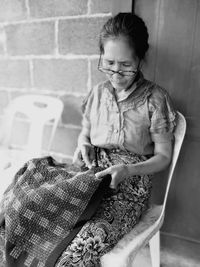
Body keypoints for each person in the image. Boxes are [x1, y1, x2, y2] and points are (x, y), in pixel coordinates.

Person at [55, 12, 176, 267]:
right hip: (90, 174)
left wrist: (128, 169)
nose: (116, 72)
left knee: (80, 248)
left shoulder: (155, 99)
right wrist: (83, 144)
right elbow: (85, 132)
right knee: (43, 218)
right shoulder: (98, 93)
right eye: (109, 62)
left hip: (128, 187)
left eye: (125, 64)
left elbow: (164, 156)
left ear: (140, 59)